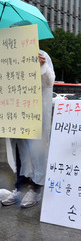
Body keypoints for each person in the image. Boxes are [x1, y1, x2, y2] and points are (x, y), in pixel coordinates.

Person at [2, 20, 55, 208]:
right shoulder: (6, 56)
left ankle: (35, 189)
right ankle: (20, 187)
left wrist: (41, 66)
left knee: (36, 152)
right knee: (20, 152)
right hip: (15, 113)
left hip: (35, 114)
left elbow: (49, 82)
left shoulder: (42, 55)